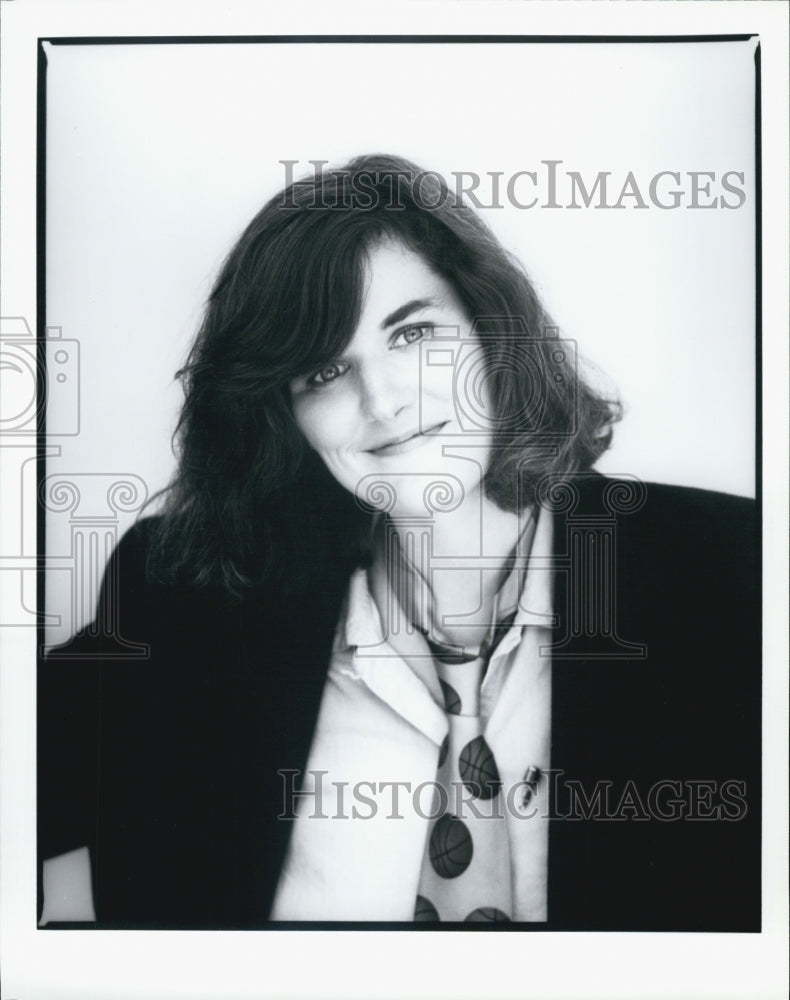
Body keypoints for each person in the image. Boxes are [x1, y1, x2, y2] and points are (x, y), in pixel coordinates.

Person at [38, 154, 759, 930]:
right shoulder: (179, 597)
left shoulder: (736, 570)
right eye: (323, 371)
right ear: (283, 414)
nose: (381, 400)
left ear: (491, 329)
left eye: (413, 334)